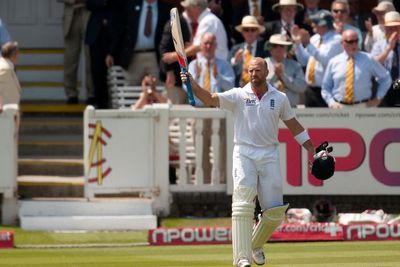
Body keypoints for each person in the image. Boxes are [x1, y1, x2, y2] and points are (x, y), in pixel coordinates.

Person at [181, 57, 316, 267]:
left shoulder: (279, 98)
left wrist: (312, 151)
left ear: (266, 71)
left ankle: (254, 244)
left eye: (257, 70)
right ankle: (241, 258)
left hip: (269, 154)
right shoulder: (238, 95)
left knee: (274, 213)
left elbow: (294, 126)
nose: (254, 74)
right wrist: (191, 82)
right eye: (250, 71)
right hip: (243, 152)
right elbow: (209, 98)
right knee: (243, 204)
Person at [187, 32, 234, 183]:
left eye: (211, 43)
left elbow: (231, 86)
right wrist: (198, 78)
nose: (208, 46)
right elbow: (187, 92)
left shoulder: (224, 64)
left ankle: (222, 183)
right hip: (199, 112)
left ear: (215, 46)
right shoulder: (194, 65)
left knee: (221, 150)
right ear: (200, 46)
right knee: (201, 151)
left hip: (218, 111)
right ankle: (204, 183)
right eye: (205, 43)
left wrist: (217, 76)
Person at [107, 0, 173, 86]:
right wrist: (111, 52)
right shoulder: (130, 6)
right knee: (131, 87)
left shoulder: (166, 9)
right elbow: (120, 30)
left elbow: (170, 36)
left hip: (155, 56)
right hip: (134, 56)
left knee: (159, 89)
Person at [321, 29, 391, 108]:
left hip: (363, 107)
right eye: (350, 42)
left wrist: (378, 98)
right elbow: (326, 87)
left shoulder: (368, 59)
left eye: (356, 41)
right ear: (342, 44)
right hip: (340, 108)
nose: (354, 44)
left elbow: (385, 77)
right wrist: (331, 102)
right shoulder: (333, 62)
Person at [162, 0, 228, 64]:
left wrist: (174, 56)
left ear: (195, 8)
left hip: (216, 68)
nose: (186, 13)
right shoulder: (208, 19)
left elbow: (198, 46)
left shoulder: (207, 21)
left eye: (188, 9)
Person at [58, 0, 94, 104]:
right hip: (71, 15)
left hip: (89, 14)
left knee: (90, 57)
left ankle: (92, 93)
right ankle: (71, 93)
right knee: (70, 58)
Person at [265, 34, 307, 107]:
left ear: (286, 49)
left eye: (281, 46)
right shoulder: (263, 64)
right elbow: (258, 88)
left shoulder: (295, 65)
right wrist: (274, 76)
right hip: (267, 109)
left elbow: (302, 87)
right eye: (275, 46)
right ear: (270, 49)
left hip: (291, 109)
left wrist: (283, 76)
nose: (278, 49)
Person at [228, 15, 269, 87]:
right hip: (239, 89)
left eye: (253, 29)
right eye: (246, 30)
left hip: (257, 89)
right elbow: (226, 69)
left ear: (257, 32)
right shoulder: (235, 49)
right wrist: (235, 61)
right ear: (242, 32)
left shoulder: (264, 50)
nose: (250, 33)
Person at [371, 11, 400, 107]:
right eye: (390, 28)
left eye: (396, 27)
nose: (394, 31)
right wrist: (389, 48)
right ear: (385, 29)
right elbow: (373, 66)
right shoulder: (379, 45)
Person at [0, 41, 21, 113]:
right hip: (4, 112)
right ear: (13, 55)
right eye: (17, 53)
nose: (18, 56)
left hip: (9, 111)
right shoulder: (5, 68)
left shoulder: (7, 66)